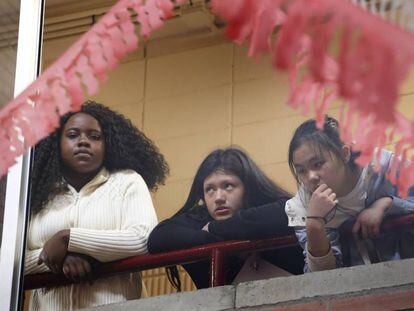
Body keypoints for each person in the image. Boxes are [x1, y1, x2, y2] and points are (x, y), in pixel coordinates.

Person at [25, 101, 169, 310]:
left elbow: (143, 239)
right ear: (57, 143)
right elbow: (13, 262)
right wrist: (57, 259)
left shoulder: (127, 181)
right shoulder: (39, 196)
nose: (83, 141)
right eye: (73, 135)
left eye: (94, 136)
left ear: (107, 144)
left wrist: (69, 239)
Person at [148, 147, 304, 289]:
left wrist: (216, 229)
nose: (218, 198)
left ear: (248, 187)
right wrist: (231, 245)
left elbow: (287, 211)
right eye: (210, 189)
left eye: (228, 185)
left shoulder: (271, 207)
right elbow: (158, 238)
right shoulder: (200, 218)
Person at [285, 116, 414, 273]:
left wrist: (386, 203)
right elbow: (323, 277)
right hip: (360, 285)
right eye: (301, 171)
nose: (311, 177)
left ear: (344, 153)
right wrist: (314, 224)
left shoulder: (380, 167)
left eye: (318, 164)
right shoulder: (302, 207)